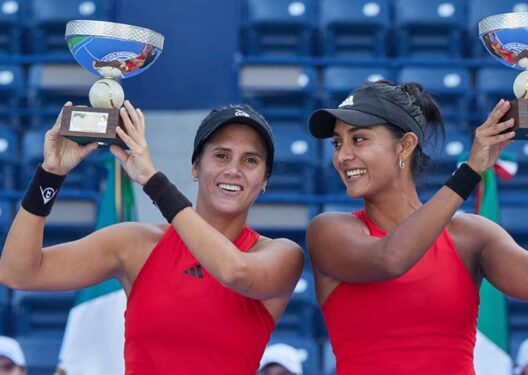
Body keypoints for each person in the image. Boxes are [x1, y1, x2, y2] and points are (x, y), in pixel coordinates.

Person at [0, 102, 304, 374]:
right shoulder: (137, 245)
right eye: (221, 155)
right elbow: (18, 272)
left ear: (265, 180)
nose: (234, 170)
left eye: (250, 160)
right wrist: (50, 174)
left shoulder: (281, 255)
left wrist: (153, 181)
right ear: (196, 167)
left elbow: (233, 270)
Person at [306, 80, 528, 374]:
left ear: (405, 145)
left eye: (358, 139)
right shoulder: (329, 230)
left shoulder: (471, 235)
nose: (342, 156)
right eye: (337, 143)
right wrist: (470, 170)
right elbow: (392, 258)